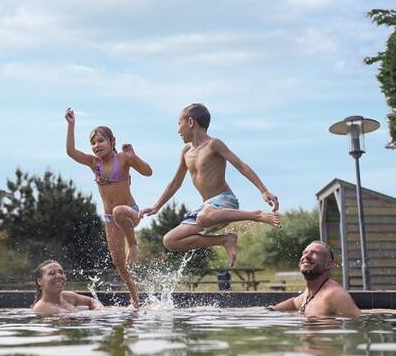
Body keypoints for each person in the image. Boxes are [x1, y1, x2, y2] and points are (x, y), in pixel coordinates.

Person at [141, 103, 281, 267]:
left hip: (224, 201)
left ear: (191, 122)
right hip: (206, 208)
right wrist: (157, 206)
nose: (178, 130)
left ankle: (257, 215)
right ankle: (225, 240)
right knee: (170, 240)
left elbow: (240, 165)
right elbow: (175, 183)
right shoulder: (186, 152)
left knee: (203, 218)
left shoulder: (214, 144)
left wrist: (263, 190)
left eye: (180, 124)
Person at [65, 108, 152, 308]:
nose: (97, 145)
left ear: (112, 141)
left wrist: (134, 157)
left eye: (101, 141)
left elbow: (148, 172)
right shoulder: (93, 163)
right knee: (118, 263)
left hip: (130, 212)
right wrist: (71, 126)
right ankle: (135, 299)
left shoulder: (123, 158)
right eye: (93, 143)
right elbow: (71, 152)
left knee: (119, 211)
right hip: (110, 219)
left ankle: (133, 244)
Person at [269, 241, 361, 317]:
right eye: (305, 253)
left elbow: (357, 321)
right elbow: (294, 302)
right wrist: (270, 310)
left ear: (328, 264)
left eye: (314, 253)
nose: (306, 256)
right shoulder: (308, 294)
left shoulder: (334, 295)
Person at [32, 260, 104, 314]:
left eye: (61, 272)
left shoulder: (67, 296)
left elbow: (91, 301)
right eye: (52, 273)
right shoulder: (40, 308)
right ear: (40, 281)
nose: (59, 276)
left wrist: (99, 309)